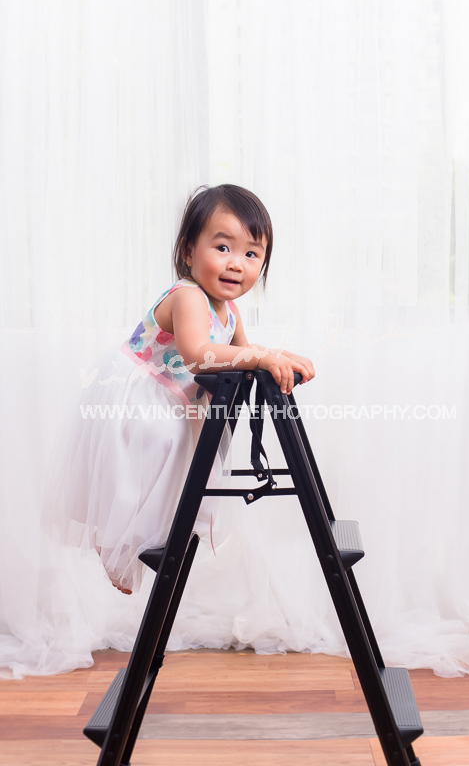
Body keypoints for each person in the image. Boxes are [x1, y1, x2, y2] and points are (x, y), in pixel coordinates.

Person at [57, 184, 315, 595]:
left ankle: (143, 541)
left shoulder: (228, 309)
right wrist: (263, 357)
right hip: (142, 393)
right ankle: (114, 542)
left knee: (183, 462)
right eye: (223, 247)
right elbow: (198, 355)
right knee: (157, 447)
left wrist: (275, 354)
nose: (236, 264)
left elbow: (242, 351)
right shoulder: (189, 296)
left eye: (251, 254)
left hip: (176, 400)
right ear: (189, 252)